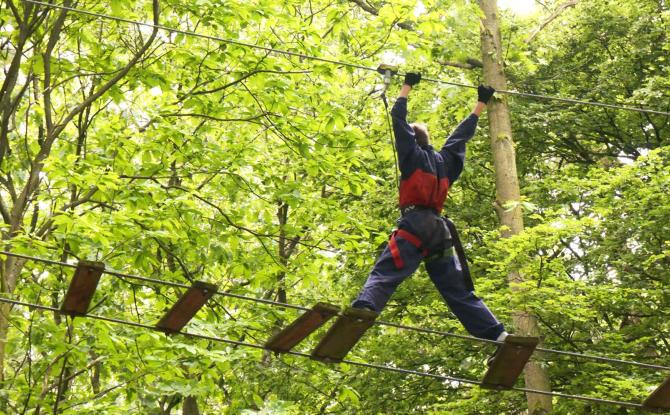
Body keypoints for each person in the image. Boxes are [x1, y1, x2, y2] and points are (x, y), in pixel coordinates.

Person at [352, 73, 508, 343]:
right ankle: (498, 334)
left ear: (412, 141)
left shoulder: (412, 156)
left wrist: (406, 87)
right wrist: (480, 103)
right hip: (439, 233)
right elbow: (460, 137)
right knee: (457, 290)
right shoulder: (444, 161)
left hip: (415, 226)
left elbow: (398, 121)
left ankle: (366, 306)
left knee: (386, 272)